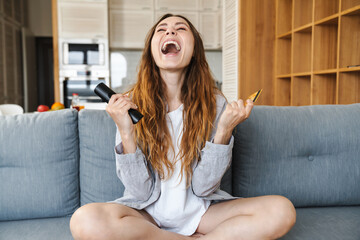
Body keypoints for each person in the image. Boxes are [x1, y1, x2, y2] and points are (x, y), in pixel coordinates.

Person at [70, 14, 296, 240]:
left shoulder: (215, 104)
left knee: (281, 210)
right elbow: (140, 192)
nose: (170, 32)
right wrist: (126, 131)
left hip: (203, 213)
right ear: (151, 50)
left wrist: (224, 131)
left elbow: (203, 188)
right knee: (84, 221)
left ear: (194, 48)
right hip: (145, 216)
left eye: (180, 28)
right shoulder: (128, 104)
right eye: (162, 29)